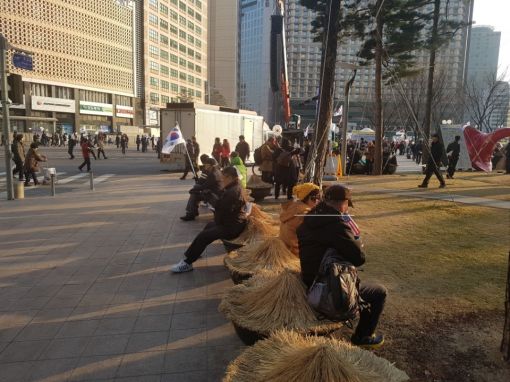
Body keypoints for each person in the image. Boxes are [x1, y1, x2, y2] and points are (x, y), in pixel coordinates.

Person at [297, 185, 387, 349]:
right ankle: (364, 336)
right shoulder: (336, 224)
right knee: (379, 292)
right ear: (343, 203)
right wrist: (356, 241)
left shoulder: (310, 218)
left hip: (309, 278)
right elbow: (359, 258)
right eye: (347, 204)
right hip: (326, 290)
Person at [171, 166, 247, 273]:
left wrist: (211, 198)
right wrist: (209, 196)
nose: (221, 180)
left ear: (229, 177)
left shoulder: (234, 191)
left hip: (232, 227)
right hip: (230, 222)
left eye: (223, 177)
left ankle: (187, 263)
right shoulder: (233, 187)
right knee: (208, 227)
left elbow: (222, 209)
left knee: (203, 236)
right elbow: (222, 206)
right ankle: (196, 251)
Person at [279, 183, 320, 257]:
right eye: (314, 198)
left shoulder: (294, 207)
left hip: (285, 246)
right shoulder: (303, 215)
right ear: (305, 198)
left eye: (319, 197)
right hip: (296, 251)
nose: (317, 201)